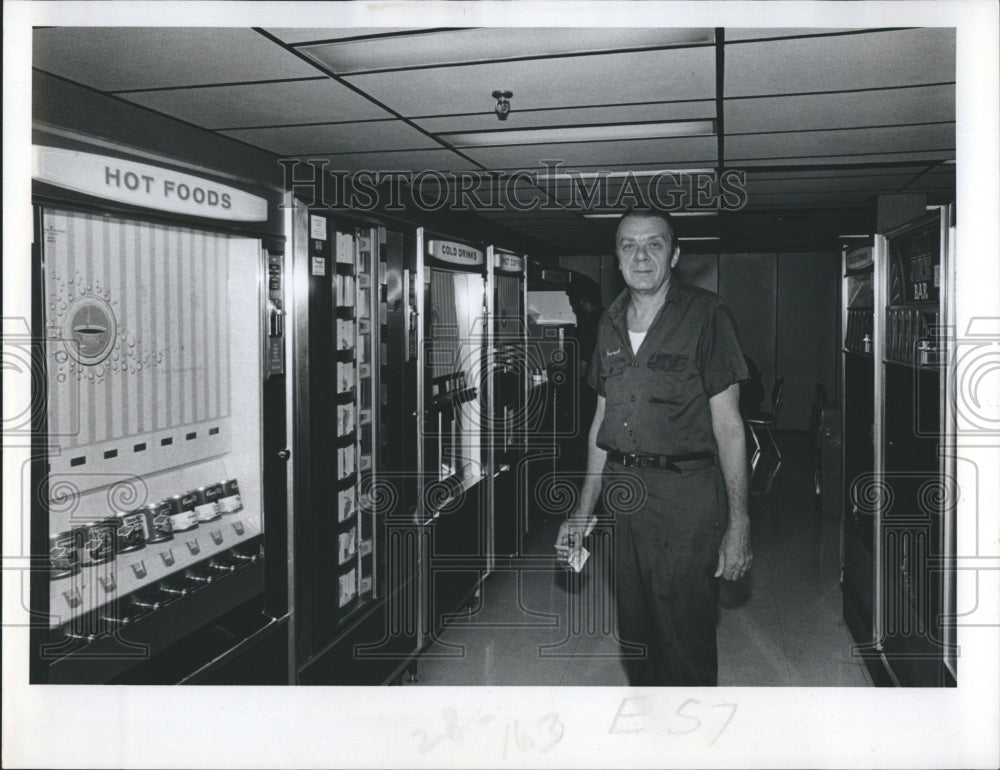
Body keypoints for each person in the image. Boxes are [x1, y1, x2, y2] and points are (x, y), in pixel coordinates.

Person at [555, 208, 752, 686]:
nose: (641, 256)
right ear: (617, 257)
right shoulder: (608, 322)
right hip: (625, 498)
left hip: (686, 497)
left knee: (684, 638)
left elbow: (729, 426)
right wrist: (583, 511)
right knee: (637, 635)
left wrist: (739, 521)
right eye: (628, 245)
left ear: (675, 254)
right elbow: (602, 421)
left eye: (654, 244)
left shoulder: (708, 315)